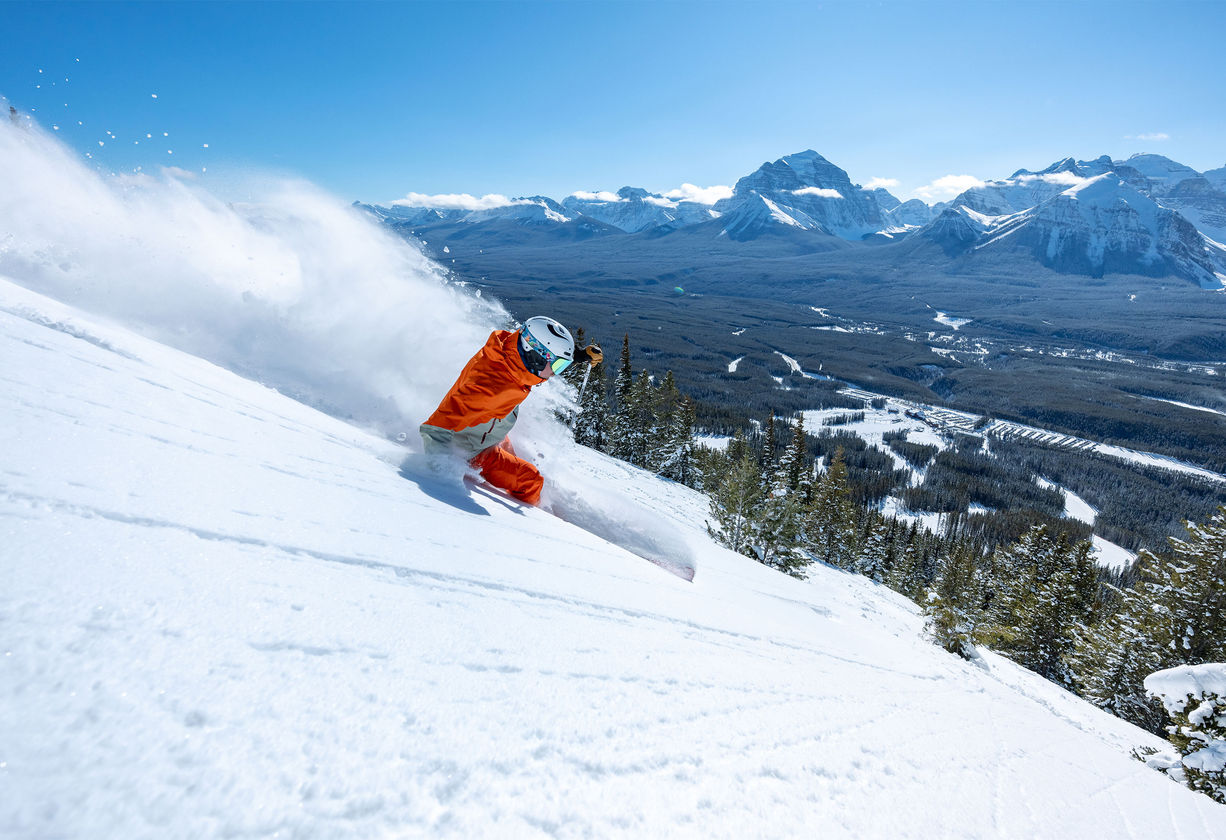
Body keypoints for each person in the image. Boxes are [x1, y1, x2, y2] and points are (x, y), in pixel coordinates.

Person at [420, 316, 602, 505]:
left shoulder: (510, 355)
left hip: (488, 430)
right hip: (474, 450)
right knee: (531, 480)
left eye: (561, 366)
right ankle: (536, 517)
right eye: (557, 365)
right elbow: (435, 429)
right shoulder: (487, 388)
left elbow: (541, 355)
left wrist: (577, 356)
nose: (556, 373)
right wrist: (443, 475)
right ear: (536, 357)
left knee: (513, 452)